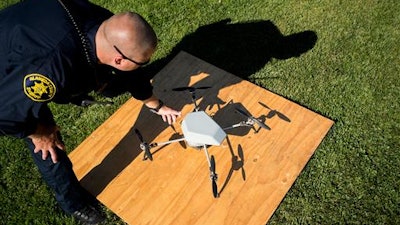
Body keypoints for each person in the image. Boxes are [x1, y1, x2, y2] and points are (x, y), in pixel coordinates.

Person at [0, 0, 181, 224]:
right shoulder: (49, 72)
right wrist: (37, 131)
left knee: (108, 78)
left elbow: (130, 72)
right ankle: (74, 204)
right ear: (119, 59)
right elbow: (5, 115)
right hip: (8, 74)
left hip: (27, 32)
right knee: (50, 148)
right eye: (140, 62)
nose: (143, 66)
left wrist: (155, 104)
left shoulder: (107, 25)